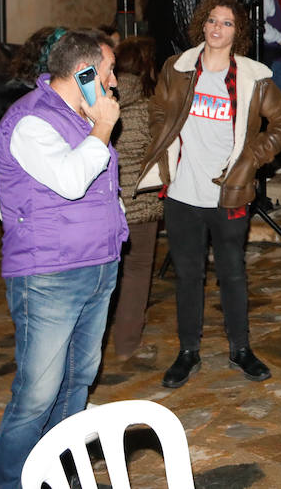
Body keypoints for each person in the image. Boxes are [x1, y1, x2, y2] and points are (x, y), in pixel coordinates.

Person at [0, 29, 127, 489]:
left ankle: (52, 476)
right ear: (83, 73)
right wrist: (102, 128)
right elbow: (69, 181)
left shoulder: (77, 116)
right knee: (37, 395)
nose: (114, 83)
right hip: (50, 277)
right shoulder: (32, 120)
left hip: (97, 267)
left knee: (77, 382)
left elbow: (101, 186)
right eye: (108, 72)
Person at [138, 0, 281, 388]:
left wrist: (251, 159)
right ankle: (187, 351)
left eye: (227, 23)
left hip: (230, 193)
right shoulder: (177, 69)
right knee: (188, 275)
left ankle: (240, 349)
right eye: (212, 20)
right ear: (201, 24)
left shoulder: (252, 77)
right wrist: (166, 141)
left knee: (232, 274)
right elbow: (157, 108)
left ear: (237, 32)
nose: (217, 28)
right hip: (182, 194)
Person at [110, 36, 165, 360]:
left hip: (106, 201)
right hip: (141, 201)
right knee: (138, 269)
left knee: (106, 273)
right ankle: (127, 344)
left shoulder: (101, 100)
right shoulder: (150, 106)